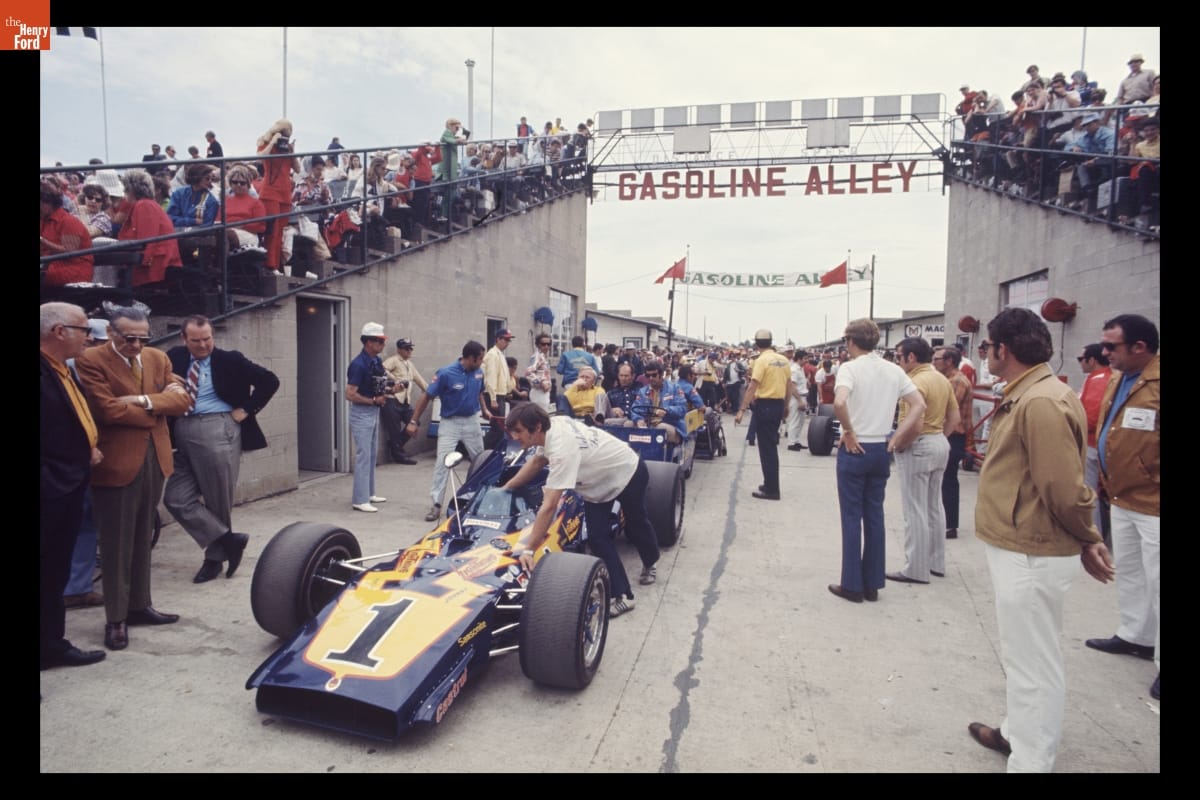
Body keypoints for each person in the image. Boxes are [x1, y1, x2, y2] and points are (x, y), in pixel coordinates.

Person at [967, 307, 1113, 772]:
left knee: (1033, 665)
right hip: (1022, 543)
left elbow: (1062, 487)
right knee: (1023, 657)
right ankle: (1017, 732)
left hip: (1032, 549)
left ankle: (1030, 761)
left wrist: (1088, 536)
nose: (986, 353)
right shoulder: (1032, 392)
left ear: (1003, 350)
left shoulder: (1041, 401)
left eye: (988, 347)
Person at [75, 306, 193, 652]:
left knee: (142, 536)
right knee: (115, 544)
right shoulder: (91, 360)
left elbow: (183, 401)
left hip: (154, 460)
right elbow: (106, 410)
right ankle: (115, 618)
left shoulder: (157, 358)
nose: (137, 345)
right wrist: (159, 409)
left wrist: (143, 400)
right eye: (129, 338)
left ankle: (139, 605)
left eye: (143, 338)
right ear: (111, 334)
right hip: (116, 463)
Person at [501, 404, 660, 615]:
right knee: (597, 538)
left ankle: (650, 562)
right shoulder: (551, 427)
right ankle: (623, 595)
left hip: (627, 471)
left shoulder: (561, 450)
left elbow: (549, 507)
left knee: (636, 523)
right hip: (598, 483)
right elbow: (537, 461)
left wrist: (529, 549)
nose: (514, 436)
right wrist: (506, 488)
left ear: (536, 427)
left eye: (518, 431)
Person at [164, 315, 279, 583]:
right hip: (181, 429)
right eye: (196, 341)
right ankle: (230, 540)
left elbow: (270, 381)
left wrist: (246, 410)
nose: (203, 345)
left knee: (217, 500)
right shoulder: (174, 357)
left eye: (208, 339)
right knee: (176, 499)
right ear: (184, 339)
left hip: (217, 429)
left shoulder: (231, 359)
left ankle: (213, 560)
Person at [1085, 314, 1159, 702]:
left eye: (1112, 346)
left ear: (1140, 347)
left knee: (1160, 579)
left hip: (1154, 500)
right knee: (1129, 569)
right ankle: (1136, 635)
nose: (1104, 352)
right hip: (1121, 494)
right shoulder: (1118, 377)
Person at [828, 318, 926, 604]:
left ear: (850, 341)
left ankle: (852, 584)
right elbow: (919, 404)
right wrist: (896, 437)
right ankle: (872, 583)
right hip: (880, 447)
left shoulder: (849, 368)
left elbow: (839, 402)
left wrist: (848, 430)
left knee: (851, 517)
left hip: (856, 447)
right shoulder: (893, 370)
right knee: (874, 515)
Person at [40, 302, 107, 670]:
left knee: (54, 572)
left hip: (68, 483)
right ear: (58, 332)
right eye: (83, 329)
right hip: (50, 489)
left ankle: (51, 645)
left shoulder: (62, 370)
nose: (89, 336)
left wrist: (87, 447)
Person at [886, 337, 958, 585]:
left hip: (919, 444)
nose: (898, 361)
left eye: (899, 356)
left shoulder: (914, 382)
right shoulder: (941, 378)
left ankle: (915, 568)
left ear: (911, 357)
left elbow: (914, 423)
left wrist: (899, 443)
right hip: (939, 441)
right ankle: (936, 562)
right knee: (934, 506)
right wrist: (939, 437)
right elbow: (954, 416)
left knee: (914, 509)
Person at [406, 341, 493, 522]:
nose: (482, 362)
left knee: (481, 462)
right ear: (470, 358)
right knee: (442, 463)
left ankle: (481, 500)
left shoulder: (478, 372)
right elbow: (427, 396)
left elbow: (480, 392)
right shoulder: (445, 373)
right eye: (480, 359)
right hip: (450, 423)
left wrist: (484, 410)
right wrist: (414, 421)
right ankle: (436, 504)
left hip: (472, 422)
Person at [62, 319, 110, 611]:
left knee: (85, 522)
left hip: (90, 457)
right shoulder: (65, 370)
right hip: (70, 461)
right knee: (78, 521)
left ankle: (76, 587)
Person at [734, 329, 798, 501]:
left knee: (767, 449)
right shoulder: (783, 360)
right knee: (770, 446)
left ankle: (771, 489)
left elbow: (753, 386)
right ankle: (769, 482)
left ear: (756, 343)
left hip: (765, 405)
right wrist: (785, 406)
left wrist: (741, 409)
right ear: (771, 342)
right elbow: (788, 386)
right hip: (777, 405)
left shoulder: (761, 361)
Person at [346, 322, 391, 513]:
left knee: (372, 454)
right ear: (369, 342)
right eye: (379, 341)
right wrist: (373, 400)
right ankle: (360, 499)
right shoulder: (358, 364)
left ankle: (369, 492)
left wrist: (391, 389)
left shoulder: (375, 361)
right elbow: (350, 394)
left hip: (373, 410)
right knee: (364, 455)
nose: (382, 344)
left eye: (382, 341)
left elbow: (378, 384)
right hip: (362, 412)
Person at [112, 169, 183, 287]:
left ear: (131, 189)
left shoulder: (144, 205)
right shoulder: (145, 204)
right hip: (153, 263)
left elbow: (147, 240)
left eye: (125, 189)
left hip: (155, 267)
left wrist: (140, 263)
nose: (124, 192)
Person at [1077, 343, 1115, 547]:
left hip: (1090, 445)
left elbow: (1090, 417)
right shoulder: (1108, 378)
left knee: (1088, 491)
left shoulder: (1099, 380)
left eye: (1080, 359)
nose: (1080, 364)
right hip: (1099, 444)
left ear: (1092, 360)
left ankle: (1094, 536)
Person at [933, 346, 972, 539]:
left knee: (948, 479)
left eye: (937, 359)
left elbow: (946, 407)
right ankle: (945, 522)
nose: (934, 363)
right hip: (949, 434)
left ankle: (949, 525)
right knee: (944, 479)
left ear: (949, 361)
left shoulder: (957, 381)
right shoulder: (948, 380)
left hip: (954, 435)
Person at [256, 119, 301, 274]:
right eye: (283, 135)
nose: (284, 138)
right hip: (270, 191)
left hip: (285, 193)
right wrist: (273, 142)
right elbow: (260, 156)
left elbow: (297, 168)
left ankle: (276, 264)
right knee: (272, 230)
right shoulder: (266, 143)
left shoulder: (286, 149)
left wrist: (292, 152)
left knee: (280, 230)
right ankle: (271, 264)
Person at [380, 338, 428, 465]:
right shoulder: (394, 360)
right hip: (392, 400)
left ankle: (395, 445)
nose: (409, 351)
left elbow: (419, 380)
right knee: (394, 430)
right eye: (406, 348)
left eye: (411, 348)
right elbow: (381, 369)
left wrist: (432, 392)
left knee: (415, 422)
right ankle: (399, 456)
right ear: (399, 350)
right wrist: (395, 379)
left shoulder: (409, 364)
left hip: (404, 402)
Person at [41, 177, 94, 288]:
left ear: (47, 202)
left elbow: (69, 253)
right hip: (50, 266)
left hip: (72, 270)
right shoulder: (44, 220)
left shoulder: (68, 221)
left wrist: (42, 241)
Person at [631, 361, 688, 444]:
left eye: (654, 375)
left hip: (671, 425)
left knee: (660, 428)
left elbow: (682, 409)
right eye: (648, 376)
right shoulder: (643, 391)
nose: (650, 378)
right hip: (648, 425)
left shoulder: (674, 388)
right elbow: (634, 409)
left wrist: (667, 411)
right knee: (628, 424)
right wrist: (639, 420)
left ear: (661, 375)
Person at [483, 329, 516, 447]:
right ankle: (483, 451)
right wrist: (492, 398)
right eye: (505, 339)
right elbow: (490, 378)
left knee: (500, 428)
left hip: (500, 395)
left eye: (509, 340)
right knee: (497, 428)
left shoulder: (500, 355)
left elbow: (503, 377)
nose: (507, 342)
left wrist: (508, 392)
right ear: (498, 339)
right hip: (494, 396)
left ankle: (492, 451)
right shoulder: (492, 355)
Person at [166, 163, 221, 230]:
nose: (210, 182)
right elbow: (170, 218)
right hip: (177, 233)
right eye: (207, 179)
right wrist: (193, 221)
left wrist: (181, 221)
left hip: (199, 237)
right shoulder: (179, 194)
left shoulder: (211, 200)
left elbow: (206, 225)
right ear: (197, 177)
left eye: (211, 179)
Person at [786, 349, 809, 451]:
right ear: (799, 359)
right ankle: (791, 442)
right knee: (794, 420)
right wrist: (799, 400)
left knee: (801, 421)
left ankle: (797, 440)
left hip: (802, 396)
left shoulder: (800, 369)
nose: (806, 360)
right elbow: (792, 387)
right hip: (796, 398)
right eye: (805, 358)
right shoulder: (794, 370)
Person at [525, 332, 554, 411]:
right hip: (539, 392)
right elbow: (528, 373)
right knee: (541, 417)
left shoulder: (543, 357)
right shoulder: (537, 357)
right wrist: (542, 383)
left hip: (543, 393)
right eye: (543, 344)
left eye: (548, 344)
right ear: (538, 345)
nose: (546, 346)